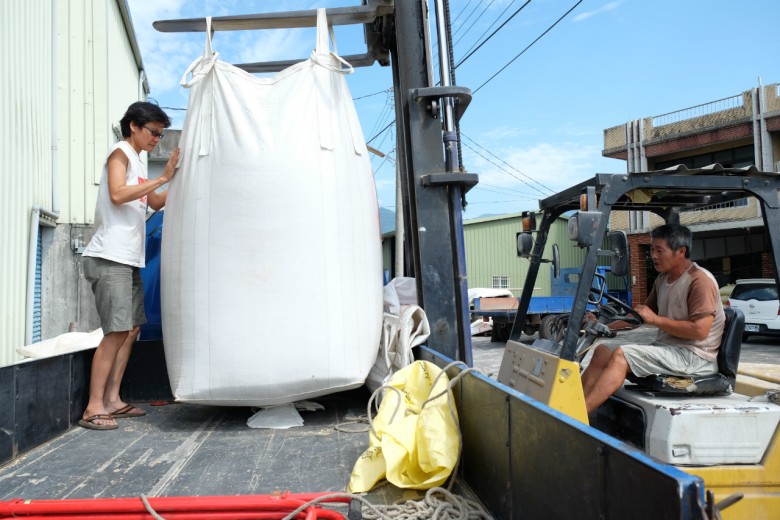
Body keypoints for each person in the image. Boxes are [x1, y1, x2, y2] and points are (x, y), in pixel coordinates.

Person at [79, 101, 181, 430]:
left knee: (131, 329)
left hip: (128, 258)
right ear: (134, 126)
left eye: (161, 134)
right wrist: (164, 176)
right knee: (115, 331)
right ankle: (94, 407)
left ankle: (113, 399)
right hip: (110, 256)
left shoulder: (137, 160)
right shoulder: (120, 153)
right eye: (154, 132)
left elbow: (152, 201)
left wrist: (179, 180)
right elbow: (118, 194)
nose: (157, 139)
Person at [581, 223, 725, 414]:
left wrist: (656, 320)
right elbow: (639, 317)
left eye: (659, 250)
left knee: (622, 355)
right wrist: (604, 326)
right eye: (651, 249)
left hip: (695, 357)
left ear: (681, 251)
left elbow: (700, 331)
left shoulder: (700, 281)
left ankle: (577, 416)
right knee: (601, 352)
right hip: (669, 350)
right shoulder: (663, 279)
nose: (654, 256)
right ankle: (573, 406)